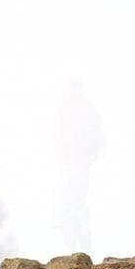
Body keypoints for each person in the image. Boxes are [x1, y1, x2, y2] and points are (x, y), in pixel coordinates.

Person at [49, 79, 104, 251]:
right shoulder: (74, 109)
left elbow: (94, 139)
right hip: (71, 162)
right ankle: (75, 247)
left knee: (72, 205)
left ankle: (77, 248)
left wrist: (83, 156)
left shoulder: (79, 109)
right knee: (71, 206)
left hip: (75, 163)